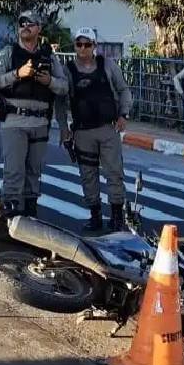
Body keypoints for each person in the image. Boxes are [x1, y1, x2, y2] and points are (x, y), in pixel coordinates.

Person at [0, 10, 68, 217]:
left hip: (40, 122)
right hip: (14, 120)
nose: (25, 26)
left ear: (38, 29)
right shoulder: (9, 52)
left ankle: (30, 217)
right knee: (14, 172)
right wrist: (17, 74)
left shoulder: (49, 56)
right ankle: (9, 217)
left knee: (34, 172)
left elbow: (64, 87)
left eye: (30, 23)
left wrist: (48, 81)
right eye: (22, 23)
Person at [61, 27, 132, 232]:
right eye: (79, 44)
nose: (83, 48)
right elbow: (61, 101)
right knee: (88, 175)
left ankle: (117, 216)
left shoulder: (107, 66)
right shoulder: (68, 70)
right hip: (83, 131)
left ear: (94, 46)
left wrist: (123, 114)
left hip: (108, 129)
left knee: (114, 172)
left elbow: (123, 90)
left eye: (87, 44)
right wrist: (64, 128)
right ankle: (95, 216)